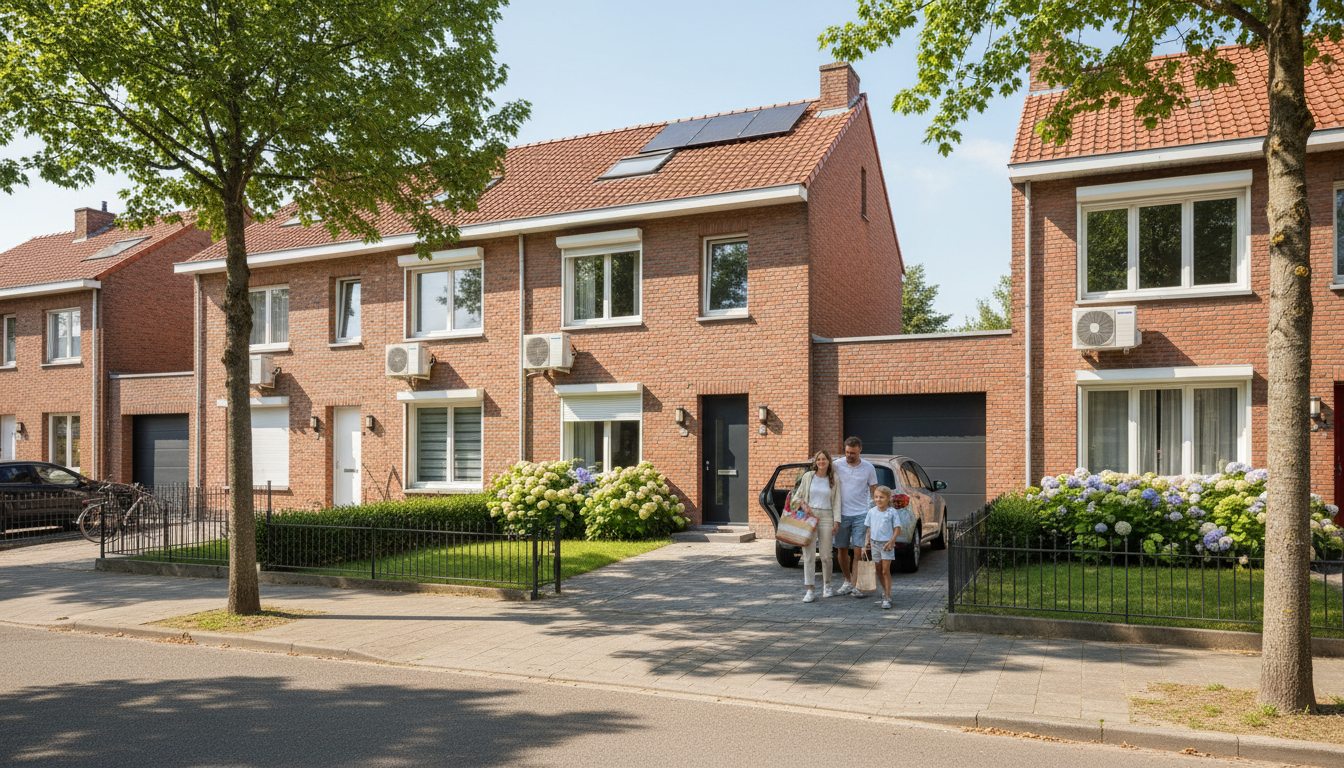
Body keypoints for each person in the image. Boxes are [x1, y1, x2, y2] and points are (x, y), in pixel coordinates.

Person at [792, 450, 845, 603]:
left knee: (826, 555)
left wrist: (837, 521)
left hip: (827, 516)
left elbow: (837, 501)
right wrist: (804, 505)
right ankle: (810, 589)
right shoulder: (808, 477)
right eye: (819, 459)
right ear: (815, 462)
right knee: (808, 554)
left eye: (824, 459)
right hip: (809, 516)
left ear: (829, 462)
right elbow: (797, 497)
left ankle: (827, 586)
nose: (821, 462)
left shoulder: (834, 478)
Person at [833, 436, 878, 599]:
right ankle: (847, 581)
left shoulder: (868, 468)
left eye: (852, 453)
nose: (849, 455)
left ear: (860, 450)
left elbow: (874, 490)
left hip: (861, 514)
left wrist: (876, 513)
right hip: (841, 514)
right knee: (842, 548)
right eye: (847, 452)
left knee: (858, 550)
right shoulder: (836, 465)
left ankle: (857, 584)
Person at [864, 486, 912, 610]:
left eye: (881, 497)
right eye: (876, 497)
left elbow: (897, 528)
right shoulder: (871, 511)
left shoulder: (892, 512)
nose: (878, 500)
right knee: (878, 570)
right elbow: (868, 528)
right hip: (874, 544)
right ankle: (885, 590)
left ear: (888, 498)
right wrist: (866, 542)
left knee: (885, 570)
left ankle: (887, 596)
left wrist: (891, 541)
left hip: (887, 544)